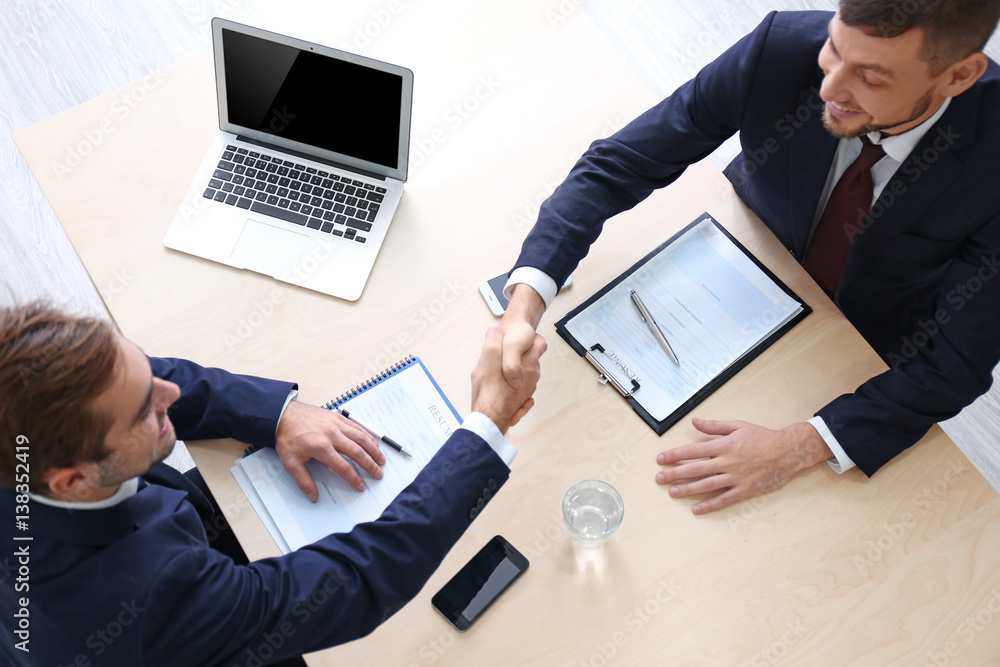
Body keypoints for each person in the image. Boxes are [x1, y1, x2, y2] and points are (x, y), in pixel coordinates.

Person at [495, 0, 1000, 514]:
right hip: (743, 253)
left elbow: (956, 364)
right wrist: (524, 308)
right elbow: (618, 163)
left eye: (870, 76)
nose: (828, 89)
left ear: (959, 75)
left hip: (857, 342)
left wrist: (798, 447)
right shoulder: (782, 46)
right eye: (834, 49)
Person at [0, 302, 545, 666]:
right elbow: (355, 580)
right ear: (72, 481)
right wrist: (486, 426)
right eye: (146, 413)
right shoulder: (150, 594)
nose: (169, 392)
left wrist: (277, 414)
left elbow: (153, 381)